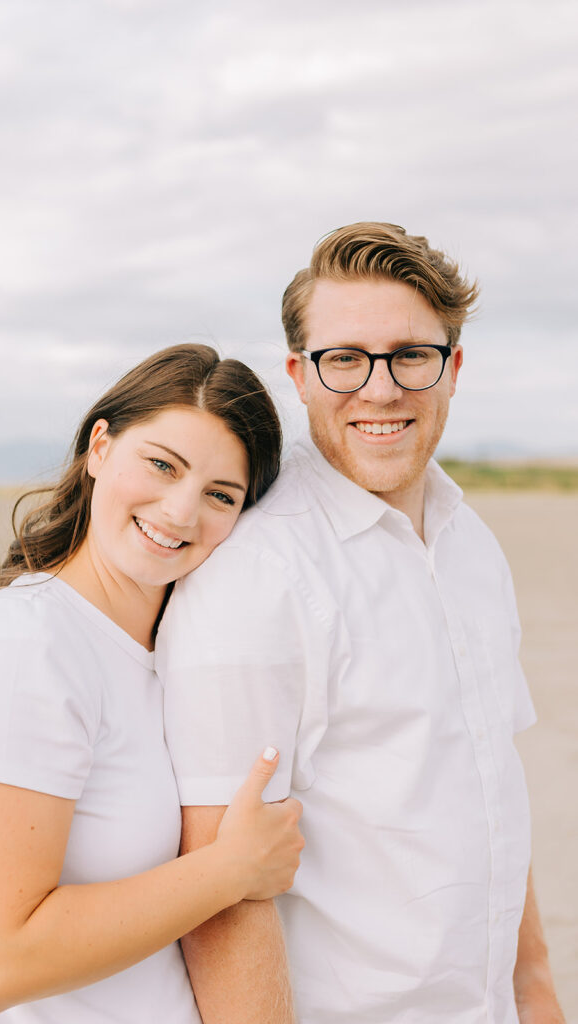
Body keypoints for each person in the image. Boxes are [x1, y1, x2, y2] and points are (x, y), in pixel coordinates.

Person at [158, 225, 566, 1023]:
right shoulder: (256, 575)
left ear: (452, 369)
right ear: (297, 375)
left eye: (410, 355)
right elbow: (216, 889)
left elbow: (492, 786)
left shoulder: (468, 541)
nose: (378, 390)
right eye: (342, 358)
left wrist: (534, 992)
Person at [0, 343, 304, 1024]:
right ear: (100, 447)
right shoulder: (23, 647)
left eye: (220, 495)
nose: (180, 512)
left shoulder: (168, 655)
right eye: (161, 464)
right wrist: (231, 870)